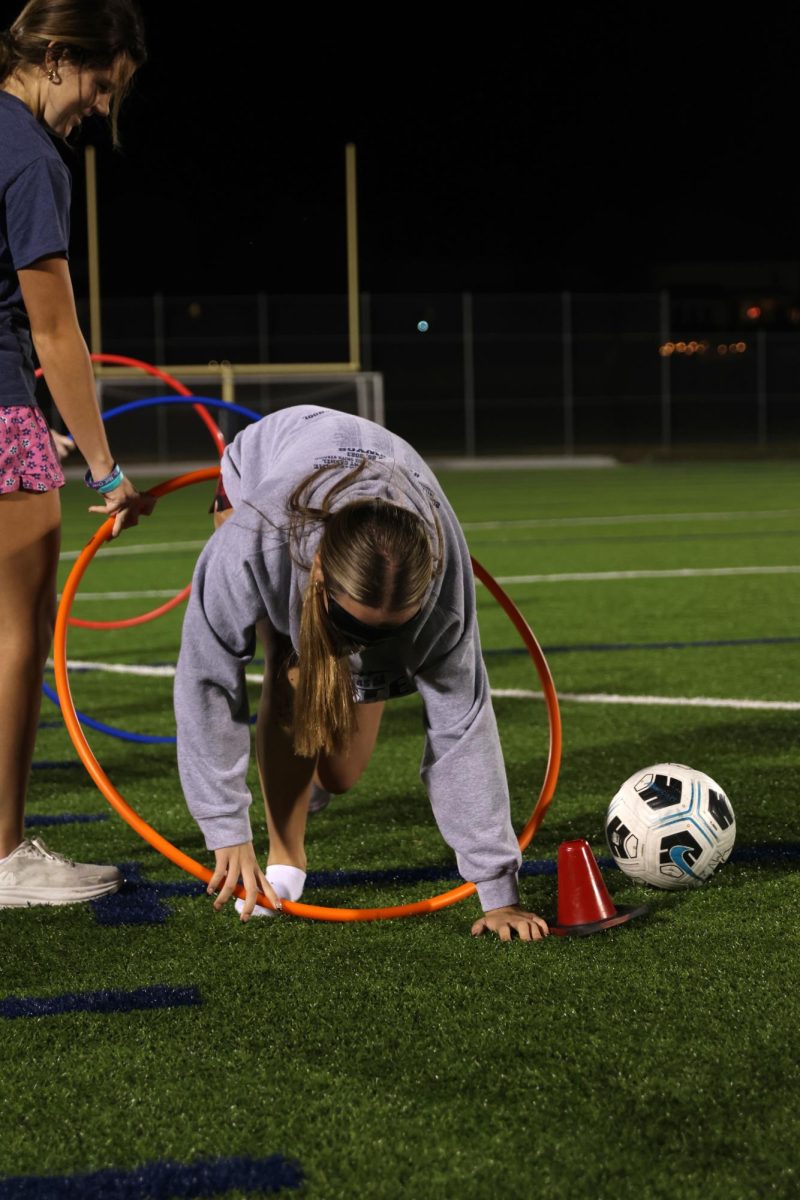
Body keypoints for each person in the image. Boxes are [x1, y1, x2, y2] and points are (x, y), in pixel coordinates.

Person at [175, 406, 549, 942]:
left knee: (340, 774)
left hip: (374, 525)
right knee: (291, 664)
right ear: (322, 572)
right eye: (352, 625)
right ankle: (287, 860)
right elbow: (207, 679)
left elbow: (462, 730)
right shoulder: (254, 543)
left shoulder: (443, 597)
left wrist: (499, 893)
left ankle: (308, 773)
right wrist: (225, 829)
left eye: (383, 635)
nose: (363, 645)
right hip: (264, 467)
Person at [0, 0, 154, 909]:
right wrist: (104, 467)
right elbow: (57, 332)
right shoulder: (27, 155)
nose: (101, 106)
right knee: (17, 637)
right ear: (58, 56)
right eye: (102, 83)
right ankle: (5, 856)